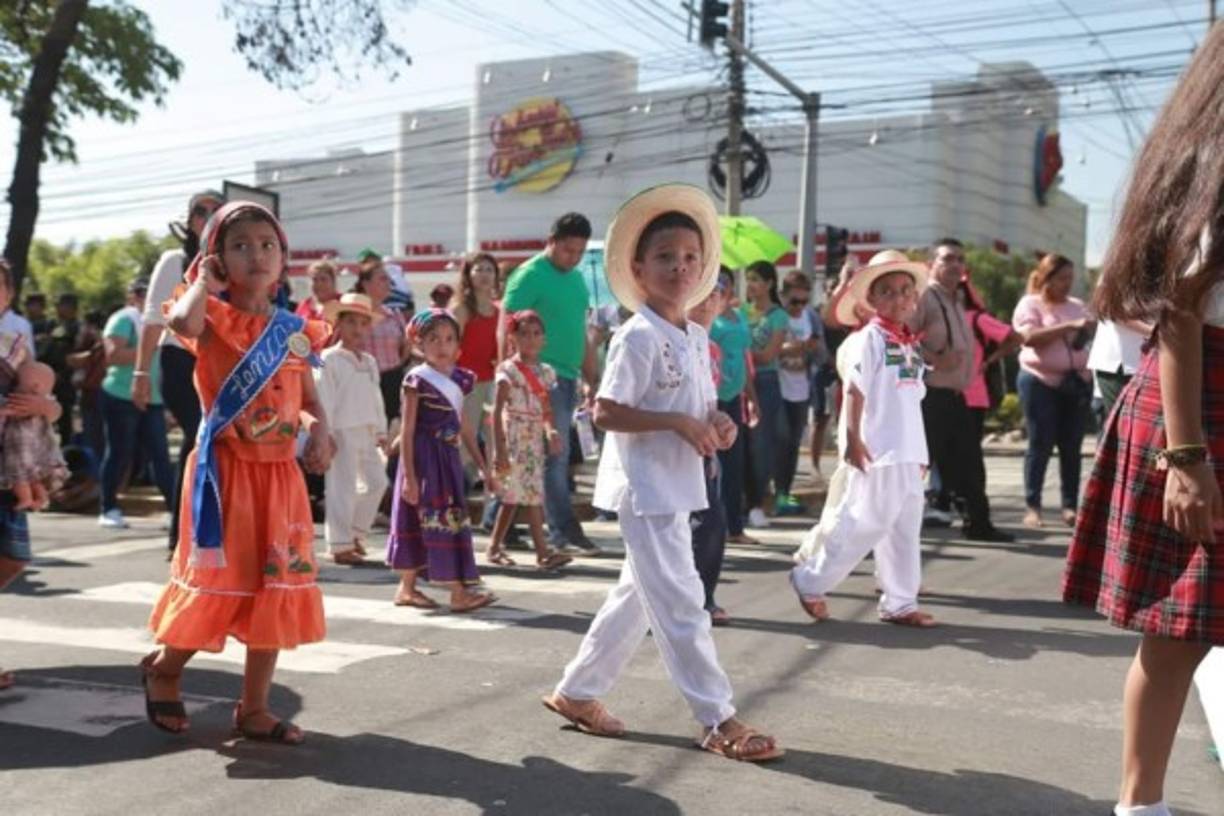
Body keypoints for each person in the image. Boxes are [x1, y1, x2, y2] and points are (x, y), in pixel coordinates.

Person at [544, 184, 781, 762]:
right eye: (666, 257)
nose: (680, 267)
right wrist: (678, 422)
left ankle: (577, 692)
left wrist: (716, 426)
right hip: (645, 489)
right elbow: (605, 411)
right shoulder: (638, 335)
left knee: (636, 597)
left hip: (677, 487)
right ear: (638, 268)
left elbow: (700, 412)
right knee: (681, 602)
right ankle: (718, 717)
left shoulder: (695, 337)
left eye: (691, 257)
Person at [1062, 28, 1224, 816]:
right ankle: (1140, 807)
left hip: (1200, 398)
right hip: (1198, 401)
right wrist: (1187, 455)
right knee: (1179, 627)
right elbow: (1183, 318)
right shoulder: (1214, 163)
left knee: (1193, 626)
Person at [142, 201, 334, 742]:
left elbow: (311, 400)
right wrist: (204, 280)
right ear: (218, 258)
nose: (257, 254)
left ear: (283, 258)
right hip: (224, 476)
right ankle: (165, 670)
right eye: (241, 245)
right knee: (217, 582)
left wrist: (321, 431)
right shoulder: (211, 316)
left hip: (279, 477)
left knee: (275, 583)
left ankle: (253, 708)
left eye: (267, 244)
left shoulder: (296, 330)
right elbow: (179, 322)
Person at [790, 250, 935, 627]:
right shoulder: (867, 339)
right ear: (871, 300)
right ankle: (810, 580)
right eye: (887, 291)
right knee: (863, 523)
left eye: (906, 290)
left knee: (904, 528)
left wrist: (920, 452)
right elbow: (855, 392)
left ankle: (900, 601)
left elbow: (911, 402)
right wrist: (851, 440)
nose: (899, 298)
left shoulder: (909, 344)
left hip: (908, 452)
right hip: (877, 450)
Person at [499, 213, 601, 554]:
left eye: (579, 252)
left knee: (536, 454)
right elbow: (507, 326)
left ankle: (497, 519)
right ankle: (563, 530)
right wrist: (507, 375)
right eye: (568, 250)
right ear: (552, 240)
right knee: (555, 455)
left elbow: (582, 334)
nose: (573, 258)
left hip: (569, 376)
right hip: (536, 377)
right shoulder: (529, 275)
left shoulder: (577, 281)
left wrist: (593, 380)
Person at [385, 308, 498, 613]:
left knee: (442, 518)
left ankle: (407, 589)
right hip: (423, 461)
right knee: (426, 517)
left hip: (447, 460)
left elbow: (465, 428)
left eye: (448, 339)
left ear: (458, 345)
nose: (442, 345)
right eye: (433, 339)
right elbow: (407, 432)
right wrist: (408, 476)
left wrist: (484, 467)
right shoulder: (415, 380)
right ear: (418, 343)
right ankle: (458, 593)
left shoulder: (461, 380)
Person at [134, 189, 223, 550]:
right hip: (180, 360)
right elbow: (154, 319)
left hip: (222, 361)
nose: (205, 215)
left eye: (214, 209)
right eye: (198, 210)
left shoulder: (234, 260)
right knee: (198, 437)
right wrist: (141, 373)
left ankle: (206, 534)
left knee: (213, 444)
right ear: (189, 221)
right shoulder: (175, 260)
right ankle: (181, 537)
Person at [909, 238, 1013, 543]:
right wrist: (937, 359)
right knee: (916, 466)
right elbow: (904, 340)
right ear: (931, 265)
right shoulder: (925, 297)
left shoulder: (955, 300)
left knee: (968, 464)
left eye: (959, 259)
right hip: (931, 396)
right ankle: (886, 529)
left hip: (956, 396)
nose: (956, 265)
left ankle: (978, 523)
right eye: (948, 259)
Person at [0, 259, 63, 691]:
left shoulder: (16, 344)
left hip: (10, 462)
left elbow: (49, 402)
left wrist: (44, 407)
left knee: (14, 556)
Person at [1011, 254, 1093, 529]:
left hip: (1075, 382)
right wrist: (1068, 327)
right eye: (1061, 278)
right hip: (1039, 381)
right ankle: (1033, 506)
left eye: (1070, 278)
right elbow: (1029, 338)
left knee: (1072, 446)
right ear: (1046, 278)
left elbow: (1088, 336)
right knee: (1040, 443)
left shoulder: (1078, 305)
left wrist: (1087, 329)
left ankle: (1070, 506)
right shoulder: (1030, 304)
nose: (1067, 284)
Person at [487, 309, 573, 571]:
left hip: (533, 438)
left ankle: (501, 547)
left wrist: (551, 430)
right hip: (514, 436)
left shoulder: (545, 372)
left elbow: (545, 406)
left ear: (544, 339)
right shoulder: (508, 370)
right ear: (512, 338)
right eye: (524, 333)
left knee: (524, 495)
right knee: (523, 494)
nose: (531, 339)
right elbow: (498, 409)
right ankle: (540, 552)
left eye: (536, 334)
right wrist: (500, 448)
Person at [315, 293, 389, 565]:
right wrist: (327, 434)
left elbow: (376, 397)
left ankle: (356, 533)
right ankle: (339, 544)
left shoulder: (369, 361)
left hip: (367, 430)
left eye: (363, 323)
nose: (358, 329)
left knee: (377, 483)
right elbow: (324, 398)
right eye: (351, 322)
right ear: (339, 325)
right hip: (341, 431)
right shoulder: (328, 359)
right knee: (341, 487)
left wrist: (381, 431)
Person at [98, 277, 174, 530]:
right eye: (140, 292)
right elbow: (113, 355)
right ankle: (108, 508)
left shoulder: (164, 318)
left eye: (149, 291)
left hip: (154, 399)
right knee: (119, 453)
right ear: (132, 297)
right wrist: (149, 345)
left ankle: (175, 512)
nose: (145, 296)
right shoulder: (123, 319)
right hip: (121, 396)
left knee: (160, 457)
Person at [687, 276, 732, 625]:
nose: (706, 302)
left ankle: (703, 596)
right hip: (669, 453)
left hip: (703, 451)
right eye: (700, 294)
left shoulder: (710, 347)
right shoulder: (665, 338)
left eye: (714, 295)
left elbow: (709, 402)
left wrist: (719, 426)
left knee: (712, 523)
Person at [710, 267, 759, 545]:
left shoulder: (739, 318)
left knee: (734, 463)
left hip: (735, 396)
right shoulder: (710, 322)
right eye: (717, 283)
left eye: (726, 283)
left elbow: (744, 359)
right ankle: (716, 527)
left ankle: (735, 527)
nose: (722, 287)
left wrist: (752, 397)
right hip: (714, 398)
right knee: (714, 466)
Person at [741, 260, 788, 529]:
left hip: (766, 382)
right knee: (740, 445)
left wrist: (742, 354)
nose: (751, 285)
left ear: (770, 284)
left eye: (756, 279)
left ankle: (757, 503)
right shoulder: (740, 312)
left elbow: (769, 354)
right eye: (749, 279)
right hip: (740, 382)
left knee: (761, 446)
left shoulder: (778, 316)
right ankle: (742, 501)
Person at [775, 271, 823, 515]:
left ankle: (784, 492)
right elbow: (767, 350)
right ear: (783, 296)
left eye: (804, 301)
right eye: (794, 301)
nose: (799, 307)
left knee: (793, 443)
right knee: (779, 441)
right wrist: (793, 347)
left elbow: (820, 350)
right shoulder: (776, 316)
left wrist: (810, 349)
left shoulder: (811, 317)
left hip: (803, 387)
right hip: (778, 387)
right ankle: (774, 493)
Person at [453, 252, 501, 485]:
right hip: (465, 385)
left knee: (495, 445)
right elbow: (450, 351)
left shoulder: (499, 312)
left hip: (491, 384)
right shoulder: (461, 310)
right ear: (468, 275)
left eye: (489, 270)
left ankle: (490, 508)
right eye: (478, 269)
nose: (484, 274)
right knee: (464, 445)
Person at [0, 361, 68, 510]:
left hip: (22, 450)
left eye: (18, 382)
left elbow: (55, 411)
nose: (15, 385)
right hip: (29, 452)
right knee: (29, 479)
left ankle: (31, 499)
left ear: (35, 386)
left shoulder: (25, 399)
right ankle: (37, 499)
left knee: (22, 479)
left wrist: (45, 408)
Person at [354, 256, 411, 426]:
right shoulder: (354, 315)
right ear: (366, 284)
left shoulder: (394, 314)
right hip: (363, 380)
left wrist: (396, 365)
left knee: (391, 428)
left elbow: (406, 345)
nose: (389, 283)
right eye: (382, 279)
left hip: (392, 380)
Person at [1088, 319, 1152, 420]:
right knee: (1119, 423)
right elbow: (1116, 314)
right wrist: (1155, 332)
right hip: (1117, 367)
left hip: (1146, 364)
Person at [44, 293, 80, 445]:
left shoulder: (77, 327)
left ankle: (66, 451)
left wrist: (63, 373)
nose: (59, 309)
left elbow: (76, 354)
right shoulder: (53, 325)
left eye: (62, 305)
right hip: (48, 377)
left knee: (64, 418)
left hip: (65, 379)